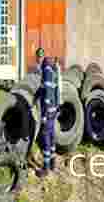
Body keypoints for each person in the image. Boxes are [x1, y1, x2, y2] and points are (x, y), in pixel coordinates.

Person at [35, 47, 60, 178]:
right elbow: (46, 88)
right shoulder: (51, 69)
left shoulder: (46, 70)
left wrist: (44, 114)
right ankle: (53, 162)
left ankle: (45, 168)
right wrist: (35, 96)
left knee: (45, 137)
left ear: (40, 57)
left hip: (48, 110)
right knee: (51, 135)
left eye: (37, 59)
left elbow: (48, 92)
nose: (37, 62)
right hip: (53, 109)